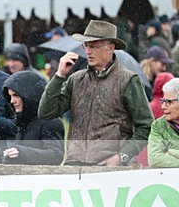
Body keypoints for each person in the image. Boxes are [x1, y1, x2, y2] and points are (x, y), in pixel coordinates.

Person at [39, 20, 153, 166]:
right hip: (75, 165)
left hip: (109, 168)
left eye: (94, 46)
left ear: (110, 47)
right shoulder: (76, 79)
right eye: (86, 45)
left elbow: (146, 126)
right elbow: (46, 112)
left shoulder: (128, 80)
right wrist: (59, 75)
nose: (88, 51)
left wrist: (122, 156)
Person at [0, 71, 65, 165]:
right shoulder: (23, 120)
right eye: (10, 96)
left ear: (29, 95)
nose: (12, 101)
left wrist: (21, 153)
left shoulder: (50, 121)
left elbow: (56, 156)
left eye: (16, 95)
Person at [147, 77, 179, 168]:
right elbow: (154, 159)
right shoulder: (158, 125)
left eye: (168, 102)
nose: (163, 107)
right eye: (163, 101)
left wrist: (171, 152)